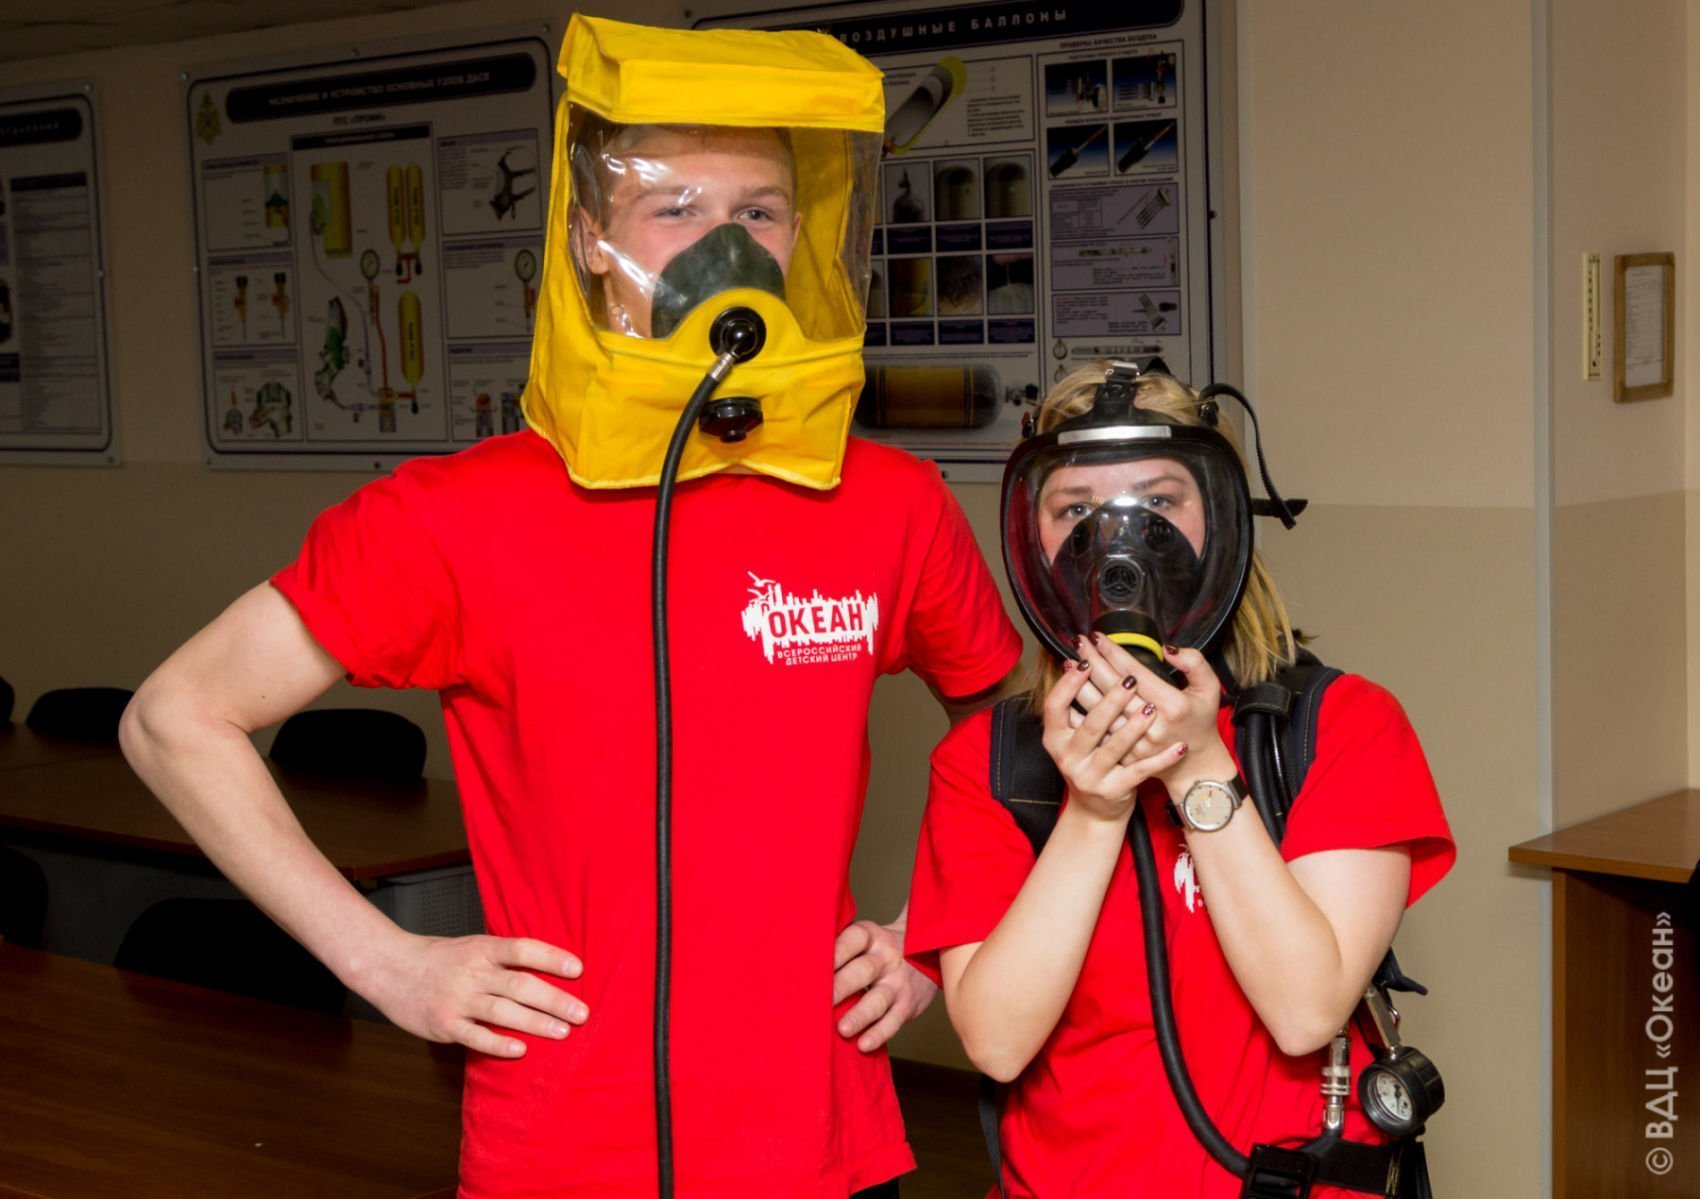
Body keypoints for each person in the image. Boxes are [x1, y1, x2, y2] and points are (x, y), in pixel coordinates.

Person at [121, 16, 1022, 1199]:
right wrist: (383, 962)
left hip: (822, 1136)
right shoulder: (454, 515)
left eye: (755, 210)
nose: (725, 245)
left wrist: (938, 930)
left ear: (799, 234)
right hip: (564, 1147)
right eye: (674, 208)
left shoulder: (887, 501)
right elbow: (176, 717)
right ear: (592, 240)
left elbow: (1016, 723)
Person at [905, 364, 1455, 1197]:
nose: (1117, 538)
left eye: (1159, 502)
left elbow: (1305, 1011)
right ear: (1033, 543)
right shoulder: (987, 762)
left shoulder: (1340, 727)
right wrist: (1093, 812)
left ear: (1219, 524)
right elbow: (997, 1042)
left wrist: (1200, 768)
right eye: (1075, 510)